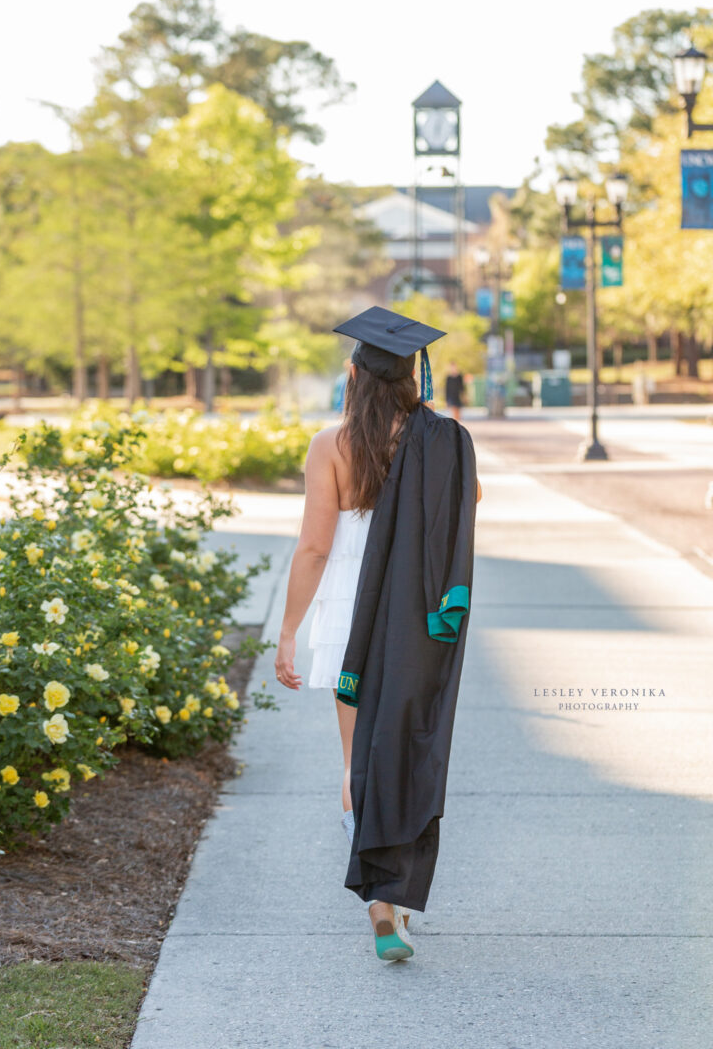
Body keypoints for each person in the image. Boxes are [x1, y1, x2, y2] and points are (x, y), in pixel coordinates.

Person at [275, 306, 480, 963]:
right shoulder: (444, 438)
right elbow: (469, 504)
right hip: (417, 621)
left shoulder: (331, 447)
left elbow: (313, 548)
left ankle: (382, 908)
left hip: (347, 621)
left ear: (355, 374)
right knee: (403, 753)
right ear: (411, 375)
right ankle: (396, 893)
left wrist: (286, 635)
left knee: (356, 760)